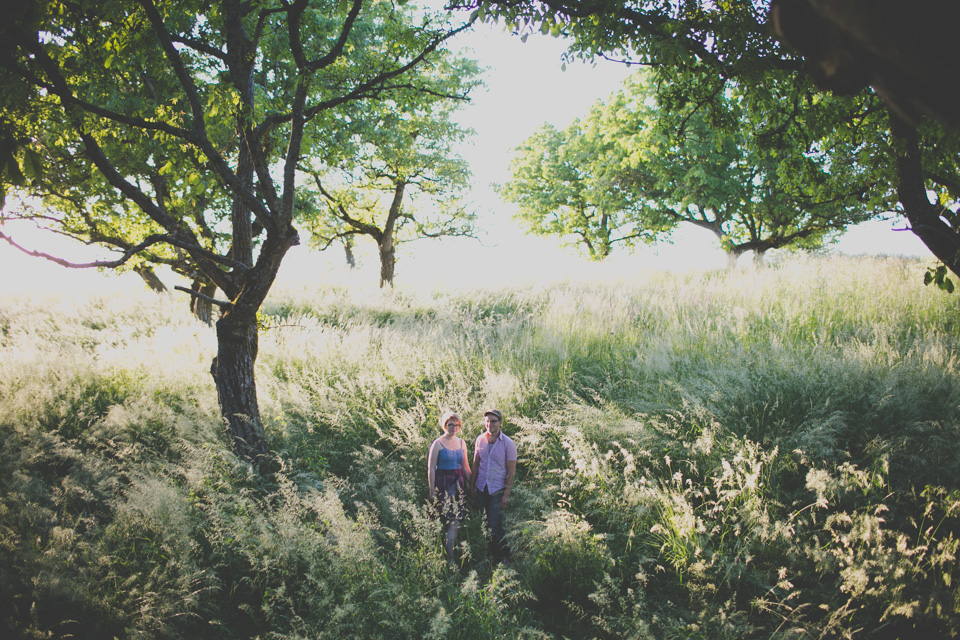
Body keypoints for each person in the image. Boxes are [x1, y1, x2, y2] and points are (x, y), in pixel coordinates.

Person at [469, 408, 517, 566]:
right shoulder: (480, 440)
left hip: (497, 489)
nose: (490, 424)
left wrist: (506, 494)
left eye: (493, 421)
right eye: (487, 421)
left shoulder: (508, 444)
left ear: (500, 423)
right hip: (482, 487)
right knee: (485, 522)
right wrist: (472, 486)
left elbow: (511, 471)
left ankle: (505, 556)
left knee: (495, 523)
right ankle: (491, 556)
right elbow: (476, 464)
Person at [427, 410, 471, 569]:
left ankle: (450, 559)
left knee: (455, 522)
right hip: (442, 484)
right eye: (450, 424)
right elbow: (431, 468)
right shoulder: (438, 444)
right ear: (444, 425)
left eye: (456, 425)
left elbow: (465, 467)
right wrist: (432, 491)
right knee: (440, 520)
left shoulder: (462, 443)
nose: (453, 427)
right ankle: (435, 556)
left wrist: (472, 485)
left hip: (458, 485)